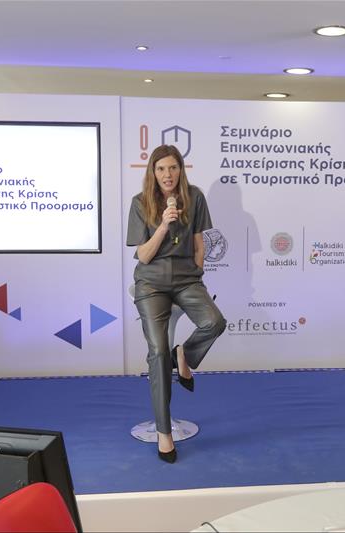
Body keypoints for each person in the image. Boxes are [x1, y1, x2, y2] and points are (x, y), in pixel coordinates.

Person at [126, 144, 226, 464]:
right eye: (161, 169)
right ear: (153, 173)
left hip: (186, 280)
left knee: (214, 322)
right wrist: (164, 226)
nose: (167, 174)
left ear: (180, 170)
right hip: (151, 283)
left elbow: (199, 242)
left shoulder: (195, 197)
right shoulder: (140, 202)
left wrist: (197, 271)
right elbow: (143, 255)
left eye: (172, 168)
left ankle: (184, 353)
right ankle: (164, 432)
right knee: (157, 352)